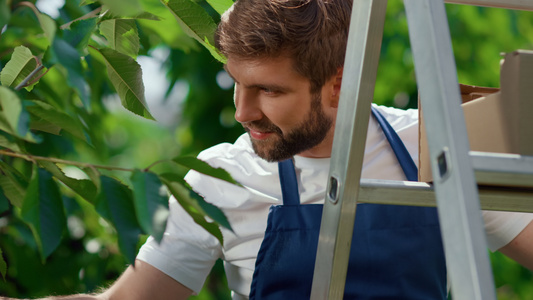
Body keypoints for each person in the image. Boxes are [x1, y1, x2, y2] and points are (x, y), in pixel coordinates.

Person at [6, 0, 533, 299]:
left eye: (269, 91)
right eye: (236, 82)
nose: (242, 110)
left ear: (340, 82)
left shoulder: (430, 143)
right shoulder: (219, 179)